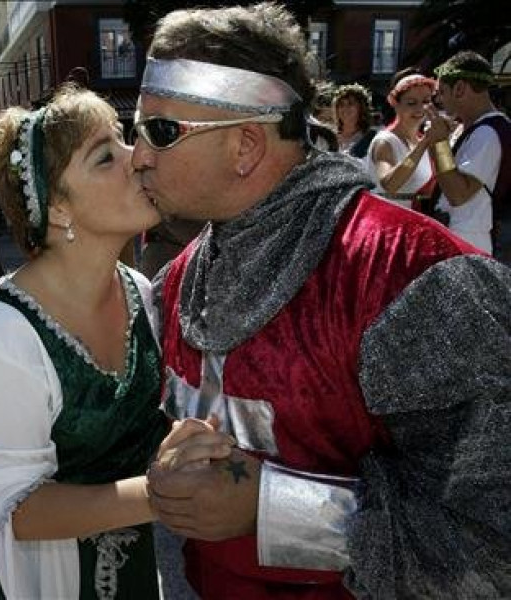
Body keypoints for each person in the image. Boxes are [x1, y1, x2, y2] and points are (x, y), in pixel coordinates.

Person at [132, 4, 511, 599]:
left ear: (246, 146)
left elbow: (492, 539)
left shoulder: (406, 273)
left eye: (161, 131)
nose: (139, 157)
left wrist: (277, 509)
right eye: (138, 131)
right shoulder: (177, 281)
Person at [0, 85, 213, 599]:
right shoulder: (2, 333)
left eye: (126, 142)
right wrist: (163, 494)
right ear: (58, 209)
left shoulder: (137, 289)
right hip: (19, 569)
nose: (139, 158)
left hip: (117, 543)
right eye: (106, 156)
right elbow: (20, 510)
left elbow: (135, 423)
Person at [429, 50, 511, 258]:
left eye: (442, 92)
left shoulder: (488, 132)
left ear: (459, 88)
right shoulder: (468, 128)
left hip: (468, 244)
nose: (439, 100)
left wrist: (440, 143)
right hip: (455, 239)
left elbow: (459, 195)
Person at [364, 68, 438, 210]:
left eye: (426, 101)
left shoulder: (423, 139)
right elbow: (389, 185)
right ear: (396, 105)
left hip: (413, 220)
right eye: (411, 103)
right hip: (387, 220)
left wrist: (442, 142)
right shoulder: (384, 141)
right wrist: (423, 145)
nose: (420, 108)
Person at [333, 83, 376, 160]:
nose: (345, 108)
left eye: (350, 104)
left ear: (361, 108)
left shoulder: (372, 138)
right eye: (341, 105)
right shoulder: (329, 137)